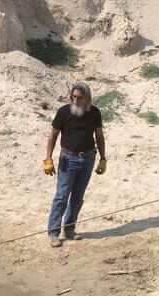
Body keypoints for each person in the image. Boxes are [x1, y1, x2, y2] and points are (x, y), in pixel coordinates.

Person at [43, 81, 107, 248]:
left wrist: (103, 158)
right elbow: (53, 136)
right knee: (61, 196)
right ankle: (53, 233)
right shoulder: (63, 112)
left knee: (78, 197)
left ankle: (69, 229)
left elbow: (99, 136)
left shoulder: (94, 113)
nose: (76, 100)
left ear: (87, 98)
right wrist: (48, 158)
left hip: (88, 159)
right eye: (74, 97)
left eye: (80, 97)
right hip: (68, 159)